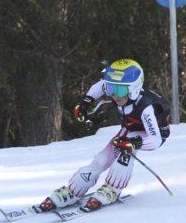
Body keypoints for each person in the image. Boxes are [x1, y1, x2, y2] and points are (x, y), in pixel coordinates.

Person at [38, 59, 170, 212]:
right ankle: (73, 190)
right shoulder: (118, 92)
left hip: (146, 134)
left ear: (133, 89)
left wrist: (134, 143)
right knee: (101, 159)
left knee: (125, 155)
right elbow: (101, 85)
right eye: (111, 88)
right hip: (129, 127)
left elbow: (156, 139)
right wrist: (85, 103)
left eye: (119, 90)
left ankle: (113, 189)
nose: (114, 95)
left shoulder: (146, 107)